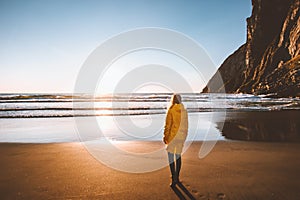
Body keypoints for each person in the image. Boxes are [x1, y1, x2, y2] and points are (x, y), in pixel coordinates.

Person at [163, 94, 188, 187]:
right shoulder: (184, 111)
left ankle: (173, 177)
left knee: (171, 157)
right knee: (178, 156)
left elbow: (168, 125)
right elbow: (186, 126)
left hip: (172, 137)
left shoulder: (171, 110)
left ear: (173, 100)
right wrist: (184, 136)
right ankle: (177, 177)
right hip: (181, 137)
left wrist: (165, 136)